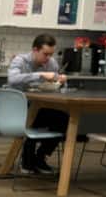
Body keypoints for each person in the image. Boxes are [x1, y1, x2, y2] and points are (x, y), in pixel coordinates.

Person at [6, 33, 68, 174]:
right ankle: (27, 160)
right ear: (35, 50)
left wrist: (62, 81)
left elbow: (57, 83)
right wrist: (40, 75)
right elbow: (12, 79)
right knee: (35, 117)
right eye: (45, 54)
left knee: (65, 119)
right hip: (19, 109)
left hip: (40, 106)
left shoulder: (51, 63)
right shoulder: (20, 60)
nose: (48, 58)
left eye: (51, 54)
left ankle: (40, 157)